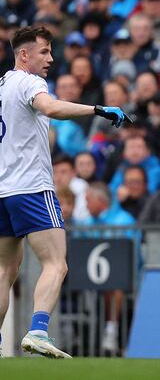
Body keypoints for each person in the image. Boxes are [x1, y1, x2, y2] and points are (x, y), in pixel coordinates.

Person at [0, 26, 129, 358]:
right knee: (56, 263)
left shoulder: (1, 85)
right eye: (44, 51)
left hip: (3, 189)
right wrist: (98, 110)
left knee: (4, 270)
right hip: (32, 188)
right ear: (23, 55)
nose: (51, 59)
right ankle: (39, 331)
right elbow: (51, 108)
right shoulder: (30, 82)